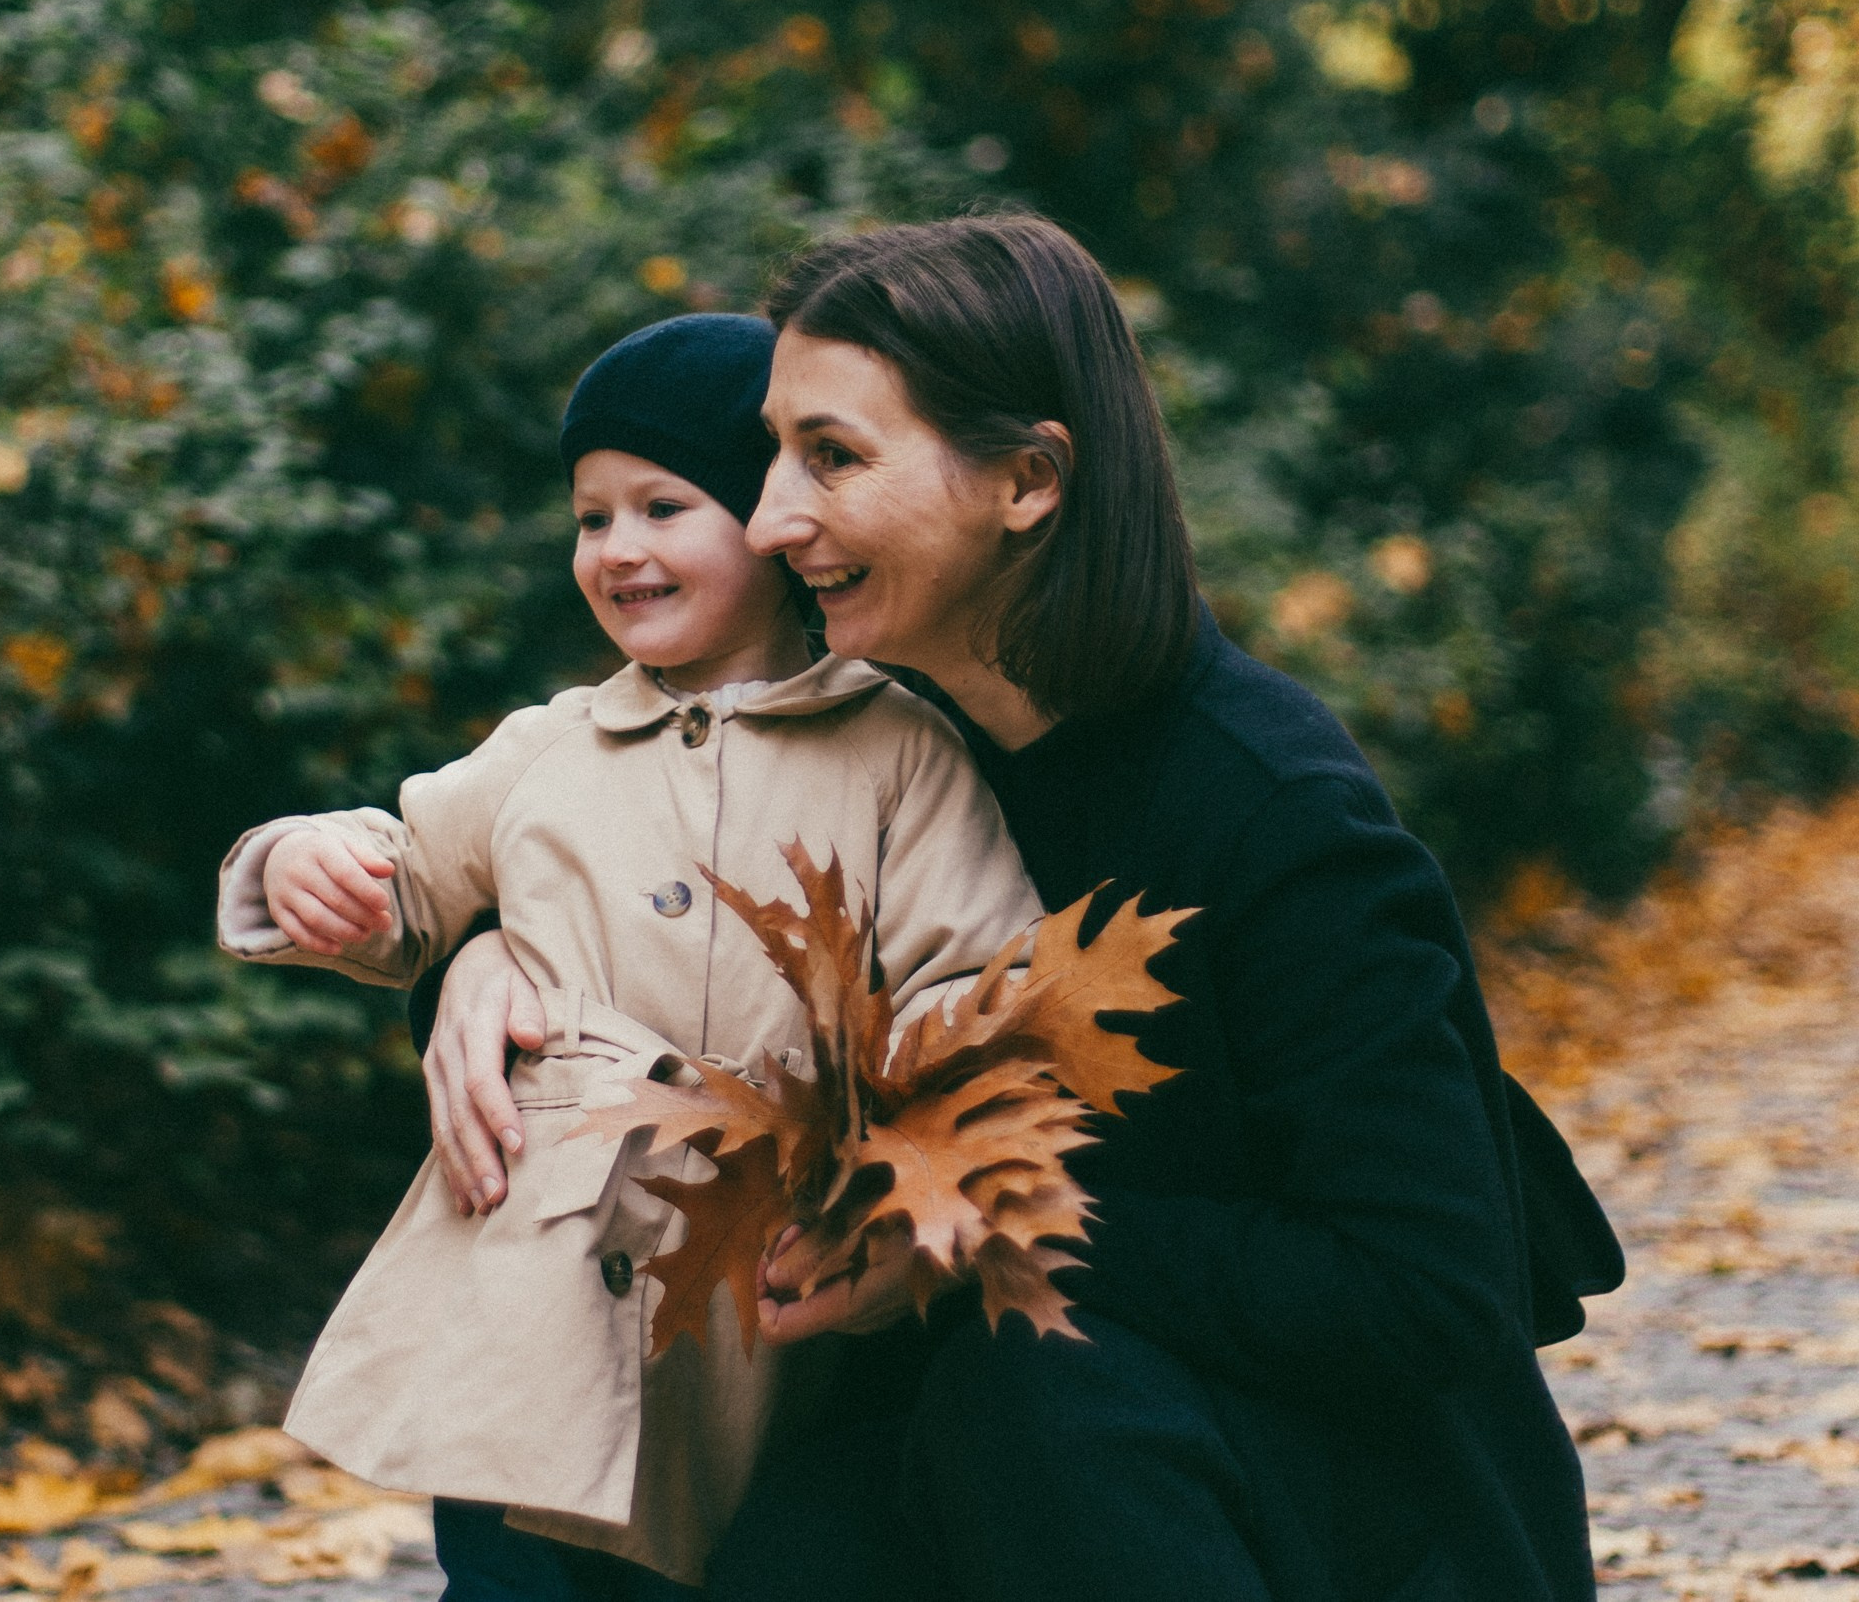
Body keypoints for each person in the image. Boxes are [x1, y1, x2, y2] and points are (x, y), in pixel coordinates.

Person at [424, 216, 1621, 1601]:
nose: (771, 519)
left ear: (1027, 481)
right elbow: (616, 851)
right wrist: (479, 955)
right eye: (771, 459)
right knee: (767, 1535)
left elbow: (1426, 1288)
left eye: (833, 458)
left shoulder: (1269, 811)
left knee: (1033, 1395)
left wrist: (973, 1223)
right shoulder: (873, 749)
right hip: (1022, 1467)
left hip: (1347, 1513)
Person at [214, 312, 1042, 1600]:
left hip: (754, 1299)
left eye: (663, 506)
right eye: (592, 518)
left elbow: (978, 987)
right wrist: (303, 862)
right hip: (527, 1281)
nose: (619, 550)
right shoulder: (551, 744)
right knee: (504, 1572)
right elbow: (410, 876)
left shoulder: (894, 751)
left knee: (725, 1559)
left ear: (769, 524)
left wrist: (902, 1157)